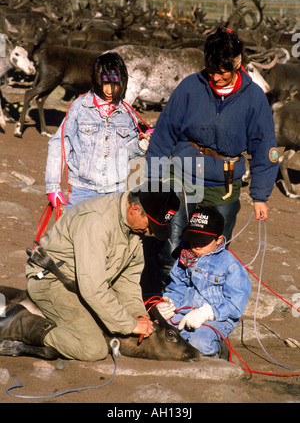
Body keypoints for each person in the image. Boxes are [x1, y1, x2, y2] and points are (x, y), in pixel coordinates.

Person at [145, 27, 279, 279]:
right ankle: (164, 300)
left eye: (222, 72)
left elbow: (264, 147)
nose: (215, 77)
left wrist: (260, 195)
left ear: (237, 64)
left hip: (223, 183)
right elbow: (165, 132)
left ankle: (203, 302)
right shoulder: (189, 87)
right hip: (182, 174)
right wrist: (154, 177)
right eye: (211, 70)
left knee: (213, 248)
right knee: (170, 243)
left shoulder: (254, 98)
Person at [0, 182, 180, 361]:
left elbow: (128, 278)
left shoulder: (133, 226)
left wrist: (137, 313)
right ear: (134, 210)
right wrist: (130, 324)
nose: (149, 232)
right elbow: (92, 288)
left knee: (110, 325)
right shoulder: (97, 222)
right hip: (52, 281)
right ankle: (21, 324)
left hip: (82, 285)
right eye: (151, 225)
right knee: (93, 349)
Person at [45, 52, 149, 210]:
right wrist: (53, 185)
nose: (109, 91)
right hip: (82, 191)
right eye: (105, 84)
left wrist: (142, 145)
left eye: (115, 85)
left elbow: (126, 152)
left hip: (115, 193)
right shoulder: (80, 107)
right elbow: (60, 144)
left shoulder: (128, 114)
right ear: (96, 81)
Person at [157, 206, 251, 358]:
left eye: (203, 241)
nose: (197, 245)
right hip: (183, 312)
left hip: (217, 319)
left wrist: (208, 312)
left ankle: (220, 349)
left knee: (198, 343)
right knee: (157, 333)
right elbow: (177, 286)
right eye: (193, 240)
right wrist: (169, 301)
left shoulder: (231, 265)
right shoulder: (185, 256)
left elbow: (235, 304)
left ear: (219, 239)